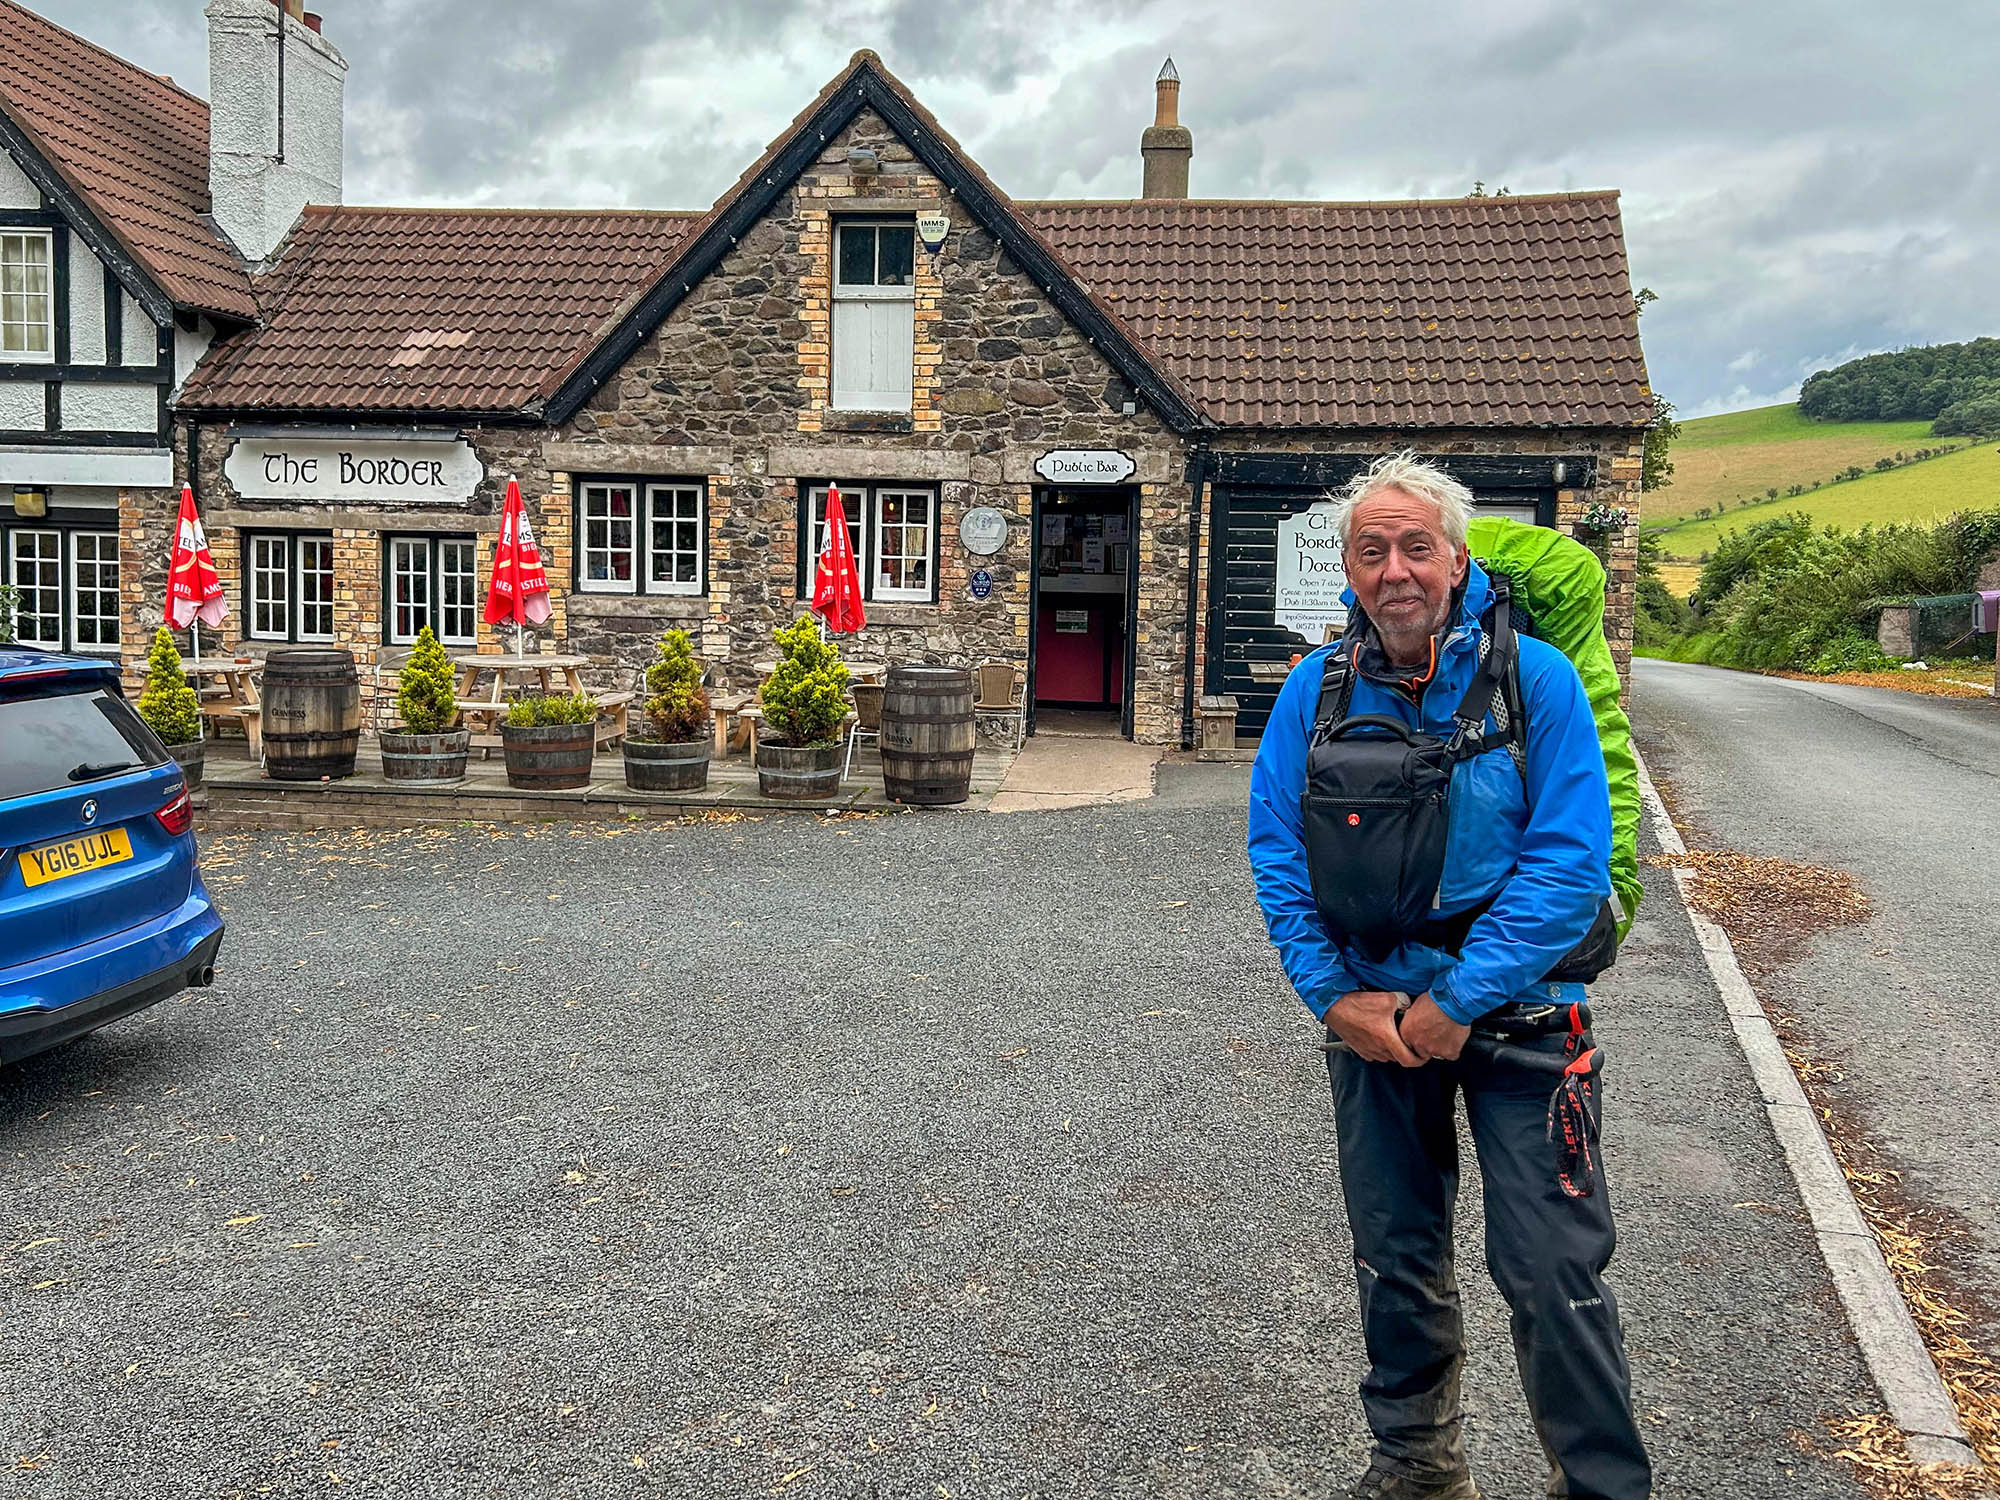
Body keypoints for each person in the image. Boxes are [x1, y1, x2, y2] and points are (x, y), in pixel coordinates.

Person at [1247, 453, 1652, 1500]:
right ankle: (1417, 1469)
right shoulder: (1315, 688)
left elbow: (1567, 865)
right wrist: (1329, 994)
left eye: (1414, 546)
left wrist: (1456, 1001)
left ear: (1456, 559)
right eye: (1370, 549)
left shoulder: (1537, 681)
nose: (1393, 569)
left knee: (1551, 1272)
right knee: (1394, 1258)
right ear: (1346, 567)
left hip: (1522, 1015)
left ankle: (1601, 1489)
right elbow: (1276, 850)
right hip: (1374, 1018)